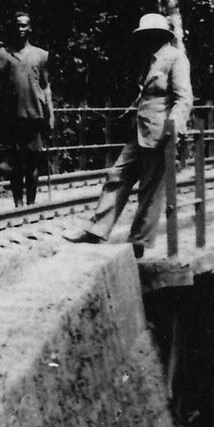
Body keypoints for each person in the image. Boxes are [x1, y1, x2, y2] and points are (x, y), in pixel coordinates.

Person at [64, 13, 192, 257]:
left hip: (162, 132)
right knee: (118, 175)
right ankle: (96, 230)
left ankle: (139, 242)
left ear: (160, 35)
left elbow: (184, 97)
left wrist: (173, 128)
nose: (145, 39)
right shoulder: (150, 60)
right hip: (141, 130)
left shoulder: (175, 59)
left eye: (149, 35)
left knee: (150, 189)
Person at [0, 12, 54, 207]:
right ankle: (18, 204)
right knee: (14, 164)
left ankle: (30, 203)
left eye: (24, 26)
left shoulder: (41, 55)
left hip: (34, 116)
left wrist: (50, 115)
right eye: (17, 25)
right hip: (12, 118)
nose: (20, 29)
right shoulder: (3, 56)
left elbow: (45, 86)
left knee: (32, 162)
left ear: (30, 28)